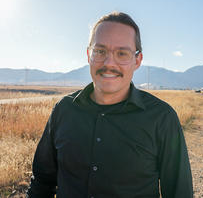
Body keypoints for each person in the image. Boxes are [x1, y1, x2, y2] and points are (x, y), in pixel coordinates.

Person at [26, 12, 193, 198]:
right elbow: (41, 182)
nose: (109, 63)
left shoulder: (162, 118)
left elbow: (180, 193)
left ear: (137, 60)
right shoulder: (63, 110)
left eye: (122, 53)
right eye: (100, 51)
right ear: (89, 54)